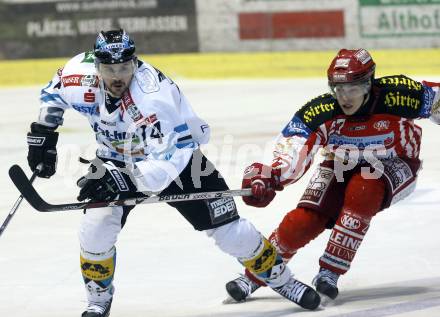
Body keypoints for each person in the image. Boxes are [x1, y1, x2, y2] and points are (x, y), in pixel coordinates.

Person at [25, 29, 322, 317]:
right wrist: (44, 133)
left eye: (125, 67)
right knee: (96, 229)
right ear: (97, 64)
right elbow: (53, 93)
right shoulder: (79, 73)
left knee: (231, 233)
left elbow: (168, 162)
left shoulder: (153, 98)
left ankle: (284, 281)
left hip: (181, 161)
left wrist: (125, 180)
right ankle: (97, 302)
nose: (117, 77)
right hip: (114, 157)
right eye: (110, 68)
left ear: (135, 62)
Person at [225, 48, 440, 303]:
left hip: (395, 162)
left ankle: (330, 271)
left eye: (352, 89)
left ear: (369, 83)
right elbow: (293, 148)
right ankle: (256, 275)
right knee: (304, 220)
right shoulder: (319, 112)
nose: (344, 97)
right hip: (340, 163)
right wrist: (270, 176)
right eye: (338, 90)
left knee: (363, 189)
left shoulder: (400, 95)